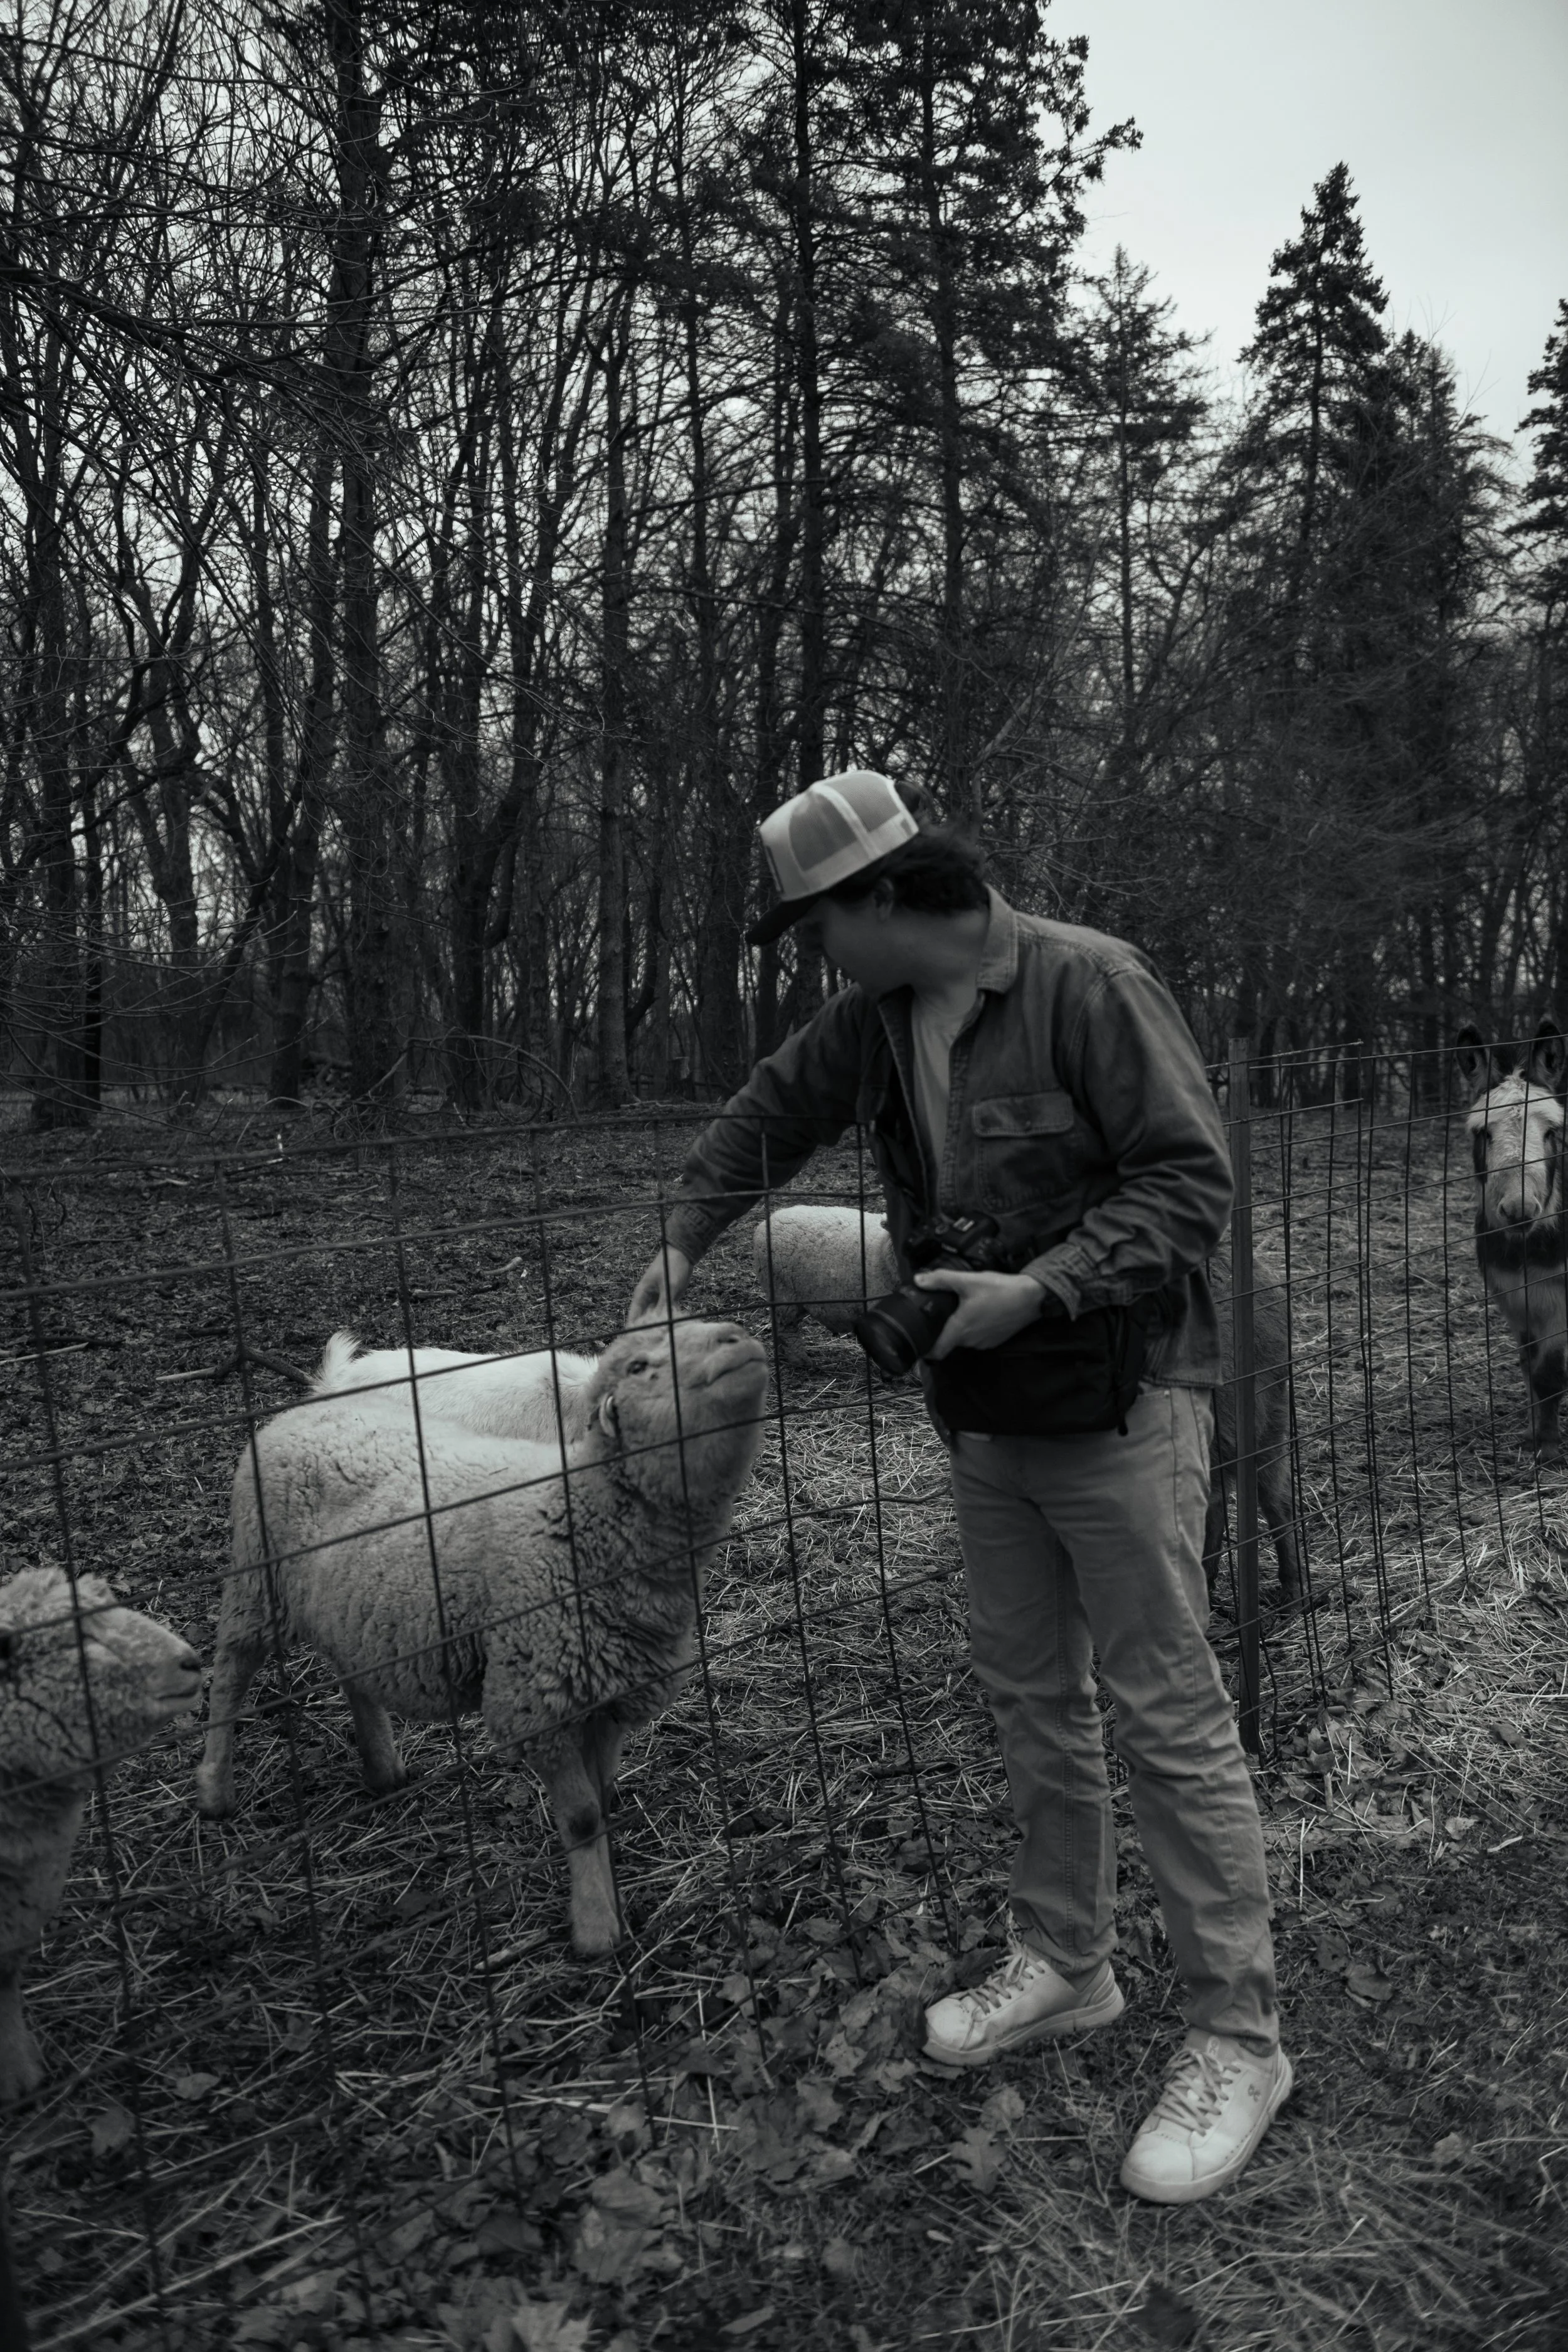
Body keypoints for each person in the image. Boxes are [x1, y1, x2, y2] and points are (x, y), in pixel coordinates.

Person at [626, 769, 1292, 2204]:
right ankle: (1066, 1960)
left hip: (1116, 1406)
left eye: (816, 925)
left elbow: (1189, 1186)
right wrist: (684, 1236)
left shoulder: (1087, 988)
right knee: (1026, 1695)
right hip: (985, 1415)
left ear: (881, 900)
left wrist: (1040, 1286)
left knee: (1162, 1713)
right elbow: (766, 1113)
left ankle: (1237, 2036)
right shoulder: (869, 1022)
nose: (815, 955)